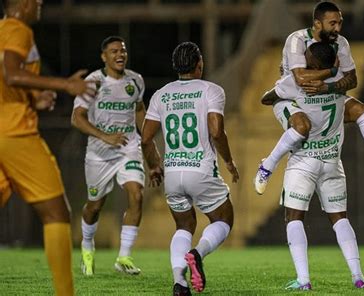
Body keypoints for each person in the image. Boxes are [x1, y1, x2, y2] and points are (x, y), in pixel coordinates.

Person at [254, 1, 364, 194]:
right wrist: (331, 71)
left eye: (339, 22)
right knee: (301, 127)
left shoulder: (341, 43)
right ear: (317, 24)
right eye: (332, 23)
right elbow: (300, 78)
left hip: (323, 94)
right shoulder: (297, 39)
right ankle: (267, 166)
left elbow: (352, 80)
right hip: (292, 97)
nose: (337, 28)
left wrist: (327, 86)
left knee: (361, 110)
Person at [0, 0, 95, 295]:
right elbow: (10, 74)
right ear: (23, 3)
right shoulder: (17, 29)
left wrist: (33, 98)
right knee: (56, 213)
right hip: (14, 134)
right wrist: (64, 85)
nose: (40, 3)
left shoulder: (2, 29)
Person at [269, 41, 364, 290]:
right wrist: (331, 71)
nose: (301, 59)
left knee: (293, 218)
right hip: (332, 162)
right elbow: (350, 94)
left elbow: (267, 98)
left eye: (306, 57)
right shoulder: (339, 86)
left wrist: (282, 95)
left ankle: (303, 280)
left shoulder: (296, 84)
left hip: (304, 161)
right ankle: (358, 277)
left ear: (312, 64)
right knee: (340, 220)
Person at [141, 41, 239, 296]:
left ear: (176, 66)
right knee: (224, 219)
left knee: (184, 226)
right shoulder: (211, 90)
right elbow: (216, 131)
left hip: (173, 172)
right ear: (200, 64)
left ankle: (179, 282)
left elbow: (145, 138)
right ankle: (197, 253)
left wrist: (154, 166)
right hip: (201, 170)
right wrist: (228, 161)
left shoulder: (161, 94)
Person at [71, 36, 146, 276]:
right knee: (95, 205)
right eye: (114, 51)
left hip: (128, 147)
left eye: (123, 50)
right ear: (104, 56)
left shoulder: (136, 80)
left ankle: (123, 257)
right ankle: (87, 247)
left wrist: (147, 143)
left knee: (136, 194)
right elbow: (77, 117)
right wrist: (104, 136)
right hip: (99, 154)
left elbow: (139, 110)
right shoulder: (93, 82)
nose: (120, 55)